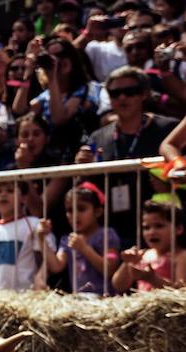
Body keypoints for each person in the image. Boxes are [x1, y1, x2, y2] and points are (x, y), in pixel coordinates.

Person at [77, 66, 180, 243]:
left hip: (160, 234)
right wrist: (82, 167)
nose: (122, 97)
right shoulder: (97, 137)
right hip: (114, 235)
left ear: (144, 94)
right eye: (116, 93)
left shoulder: (169, 131)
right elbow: (88, 187)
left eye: (130, 91)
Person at [44, 182, 120, 295]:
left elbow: (109, 269)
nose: (75, 215)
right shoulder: (67, 239)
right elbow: (56, 266)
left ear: (98, 211)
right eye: (70, 210)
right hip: (80, 301)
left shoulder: (106, 235)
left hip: (104, 299)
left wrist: (84, 248)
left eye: (81, 209)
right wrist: (41, 239)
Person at [0, 181, 54, 291]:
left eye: (10, 191)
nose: (3, 194)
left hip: (24, 294)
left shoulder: (33, 224)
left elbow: (47, 259)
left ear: (23, 198)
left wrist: (40, 277)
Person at [111, 201, 186, 293]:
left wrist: (152, 279)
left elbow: (181, 292)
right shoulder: (143, 255)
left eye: (159, 226)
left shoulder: (181, 256)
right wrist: (127, 263)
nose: (152, 232)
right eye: (146, 228)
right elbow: (119, 286)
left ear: (178, 229)